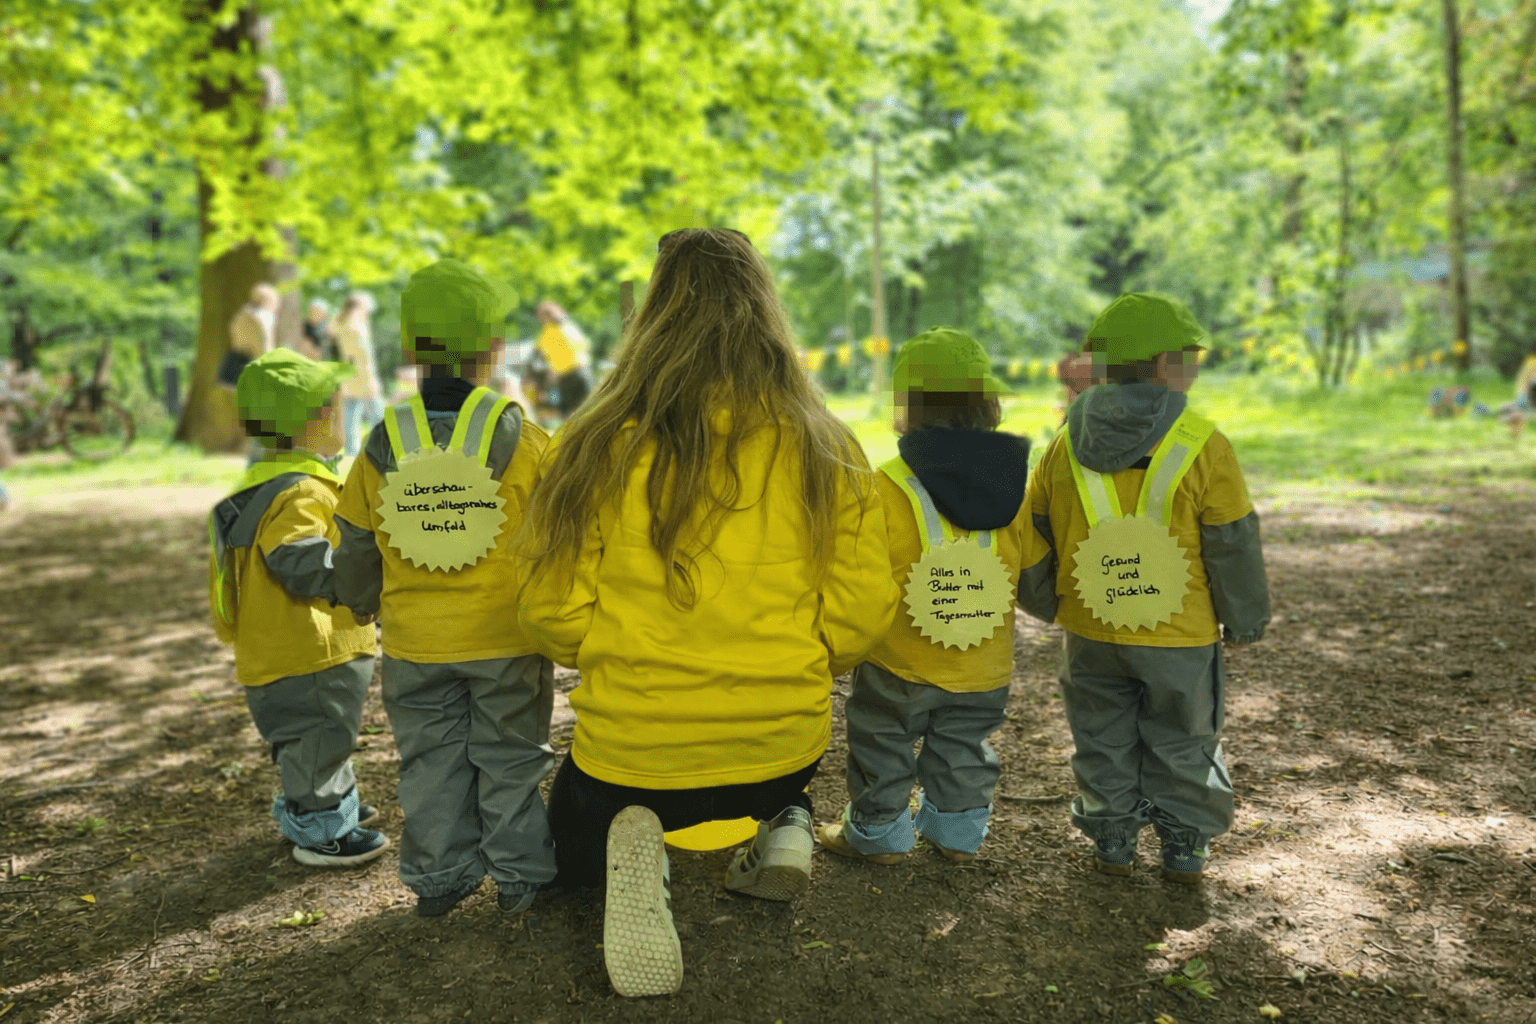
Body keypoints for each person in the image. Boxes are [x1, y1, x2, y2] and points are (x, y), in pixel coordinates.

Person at [514, 228, 899, 998]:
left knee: (570, 831)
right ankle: (784, 822)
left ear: (652, 314)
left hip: (632, 753)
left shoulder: (592, 445)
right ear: (766, 313)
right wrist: (798, 655)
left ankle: (636, 844)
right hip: (779, 742)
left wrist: (618, 651)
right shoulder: (826, 445)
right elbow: (860, 616)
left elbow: (550, 613)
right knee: (773, 771)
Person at [1014, 293, 1270, 884]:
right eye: (1191, 354)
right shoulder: (1205, 444)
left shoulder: (1063, 444)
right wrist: (1244, 618)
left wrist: (1053, 604)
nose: (1199, 364)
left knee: (1100, 738)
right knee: (1184, 738)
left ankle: (1112, 841)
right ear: (1164, 365)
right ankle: (1183, 848)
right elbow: (1232, 542)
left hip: (1090, 633)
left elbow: (1034, 533)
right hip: (1179, 638)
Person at [332, 259, 556, 920]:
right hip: (506, 639)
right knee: (512, 758)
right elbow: (556, 531)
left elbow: (354, 539)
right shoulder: (525, 439)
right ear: (492, 348)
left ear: (407, 348)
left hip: (415, 646)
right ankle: (520, 878)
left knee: (430, 762)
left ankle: (439, 877)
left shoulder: (380, 442)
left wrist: (360, 599)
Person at [815, 328, 1031, 867]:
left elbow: (860, 574)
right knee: (965, 745)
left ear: (905, 407)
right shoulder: (1014, 486)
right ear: (990, 404)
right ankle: (958, 833)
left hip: (898, 662)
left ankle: (879, 833)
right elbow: (1032, 562)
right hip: (984, 662)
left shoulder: (883, 487)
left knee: (881, 741)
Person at [207, 349, 389, 868]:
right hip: (310, 652)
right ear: (313, 424)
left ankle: (329, 801)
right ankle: (321, 828)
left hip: (283, 650)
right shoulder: (302, 492)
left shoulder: (262, 485)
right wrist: (355, 584)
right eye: (335, 410)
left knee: (320, 736)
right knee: (319, 735)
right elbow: (296, 556)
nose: (343, 420)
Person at [333, 290, 385, 457]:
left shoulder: (340, 321)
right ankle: (385, 447)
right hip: (363, 375)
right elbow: (365, 356)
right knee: (377, 414)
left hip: (349, 374)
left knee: (351, 414)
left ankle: (352, 452)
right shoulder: (356, 325)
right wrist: (372, 380)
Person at [533, 300, 592, 419]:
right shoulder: (569, 327)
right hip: (580, 371)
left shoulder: (547, 333)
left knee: (570, 410)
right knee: (585, 407)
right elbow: (585, 346)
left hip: (570, 374)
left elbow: (541, 355)